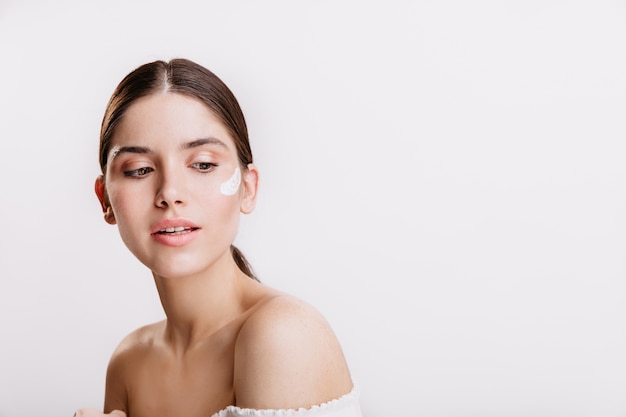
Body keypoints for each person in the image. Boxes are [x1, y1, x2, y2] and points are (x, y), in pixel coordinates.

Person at [73, 58, 362, 417]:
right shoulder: (128, 362)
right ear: (105, 200)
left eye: (204, 164)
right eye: (139, 170)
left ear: (248, 188)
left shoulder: (283, 335)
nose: (170, 193)